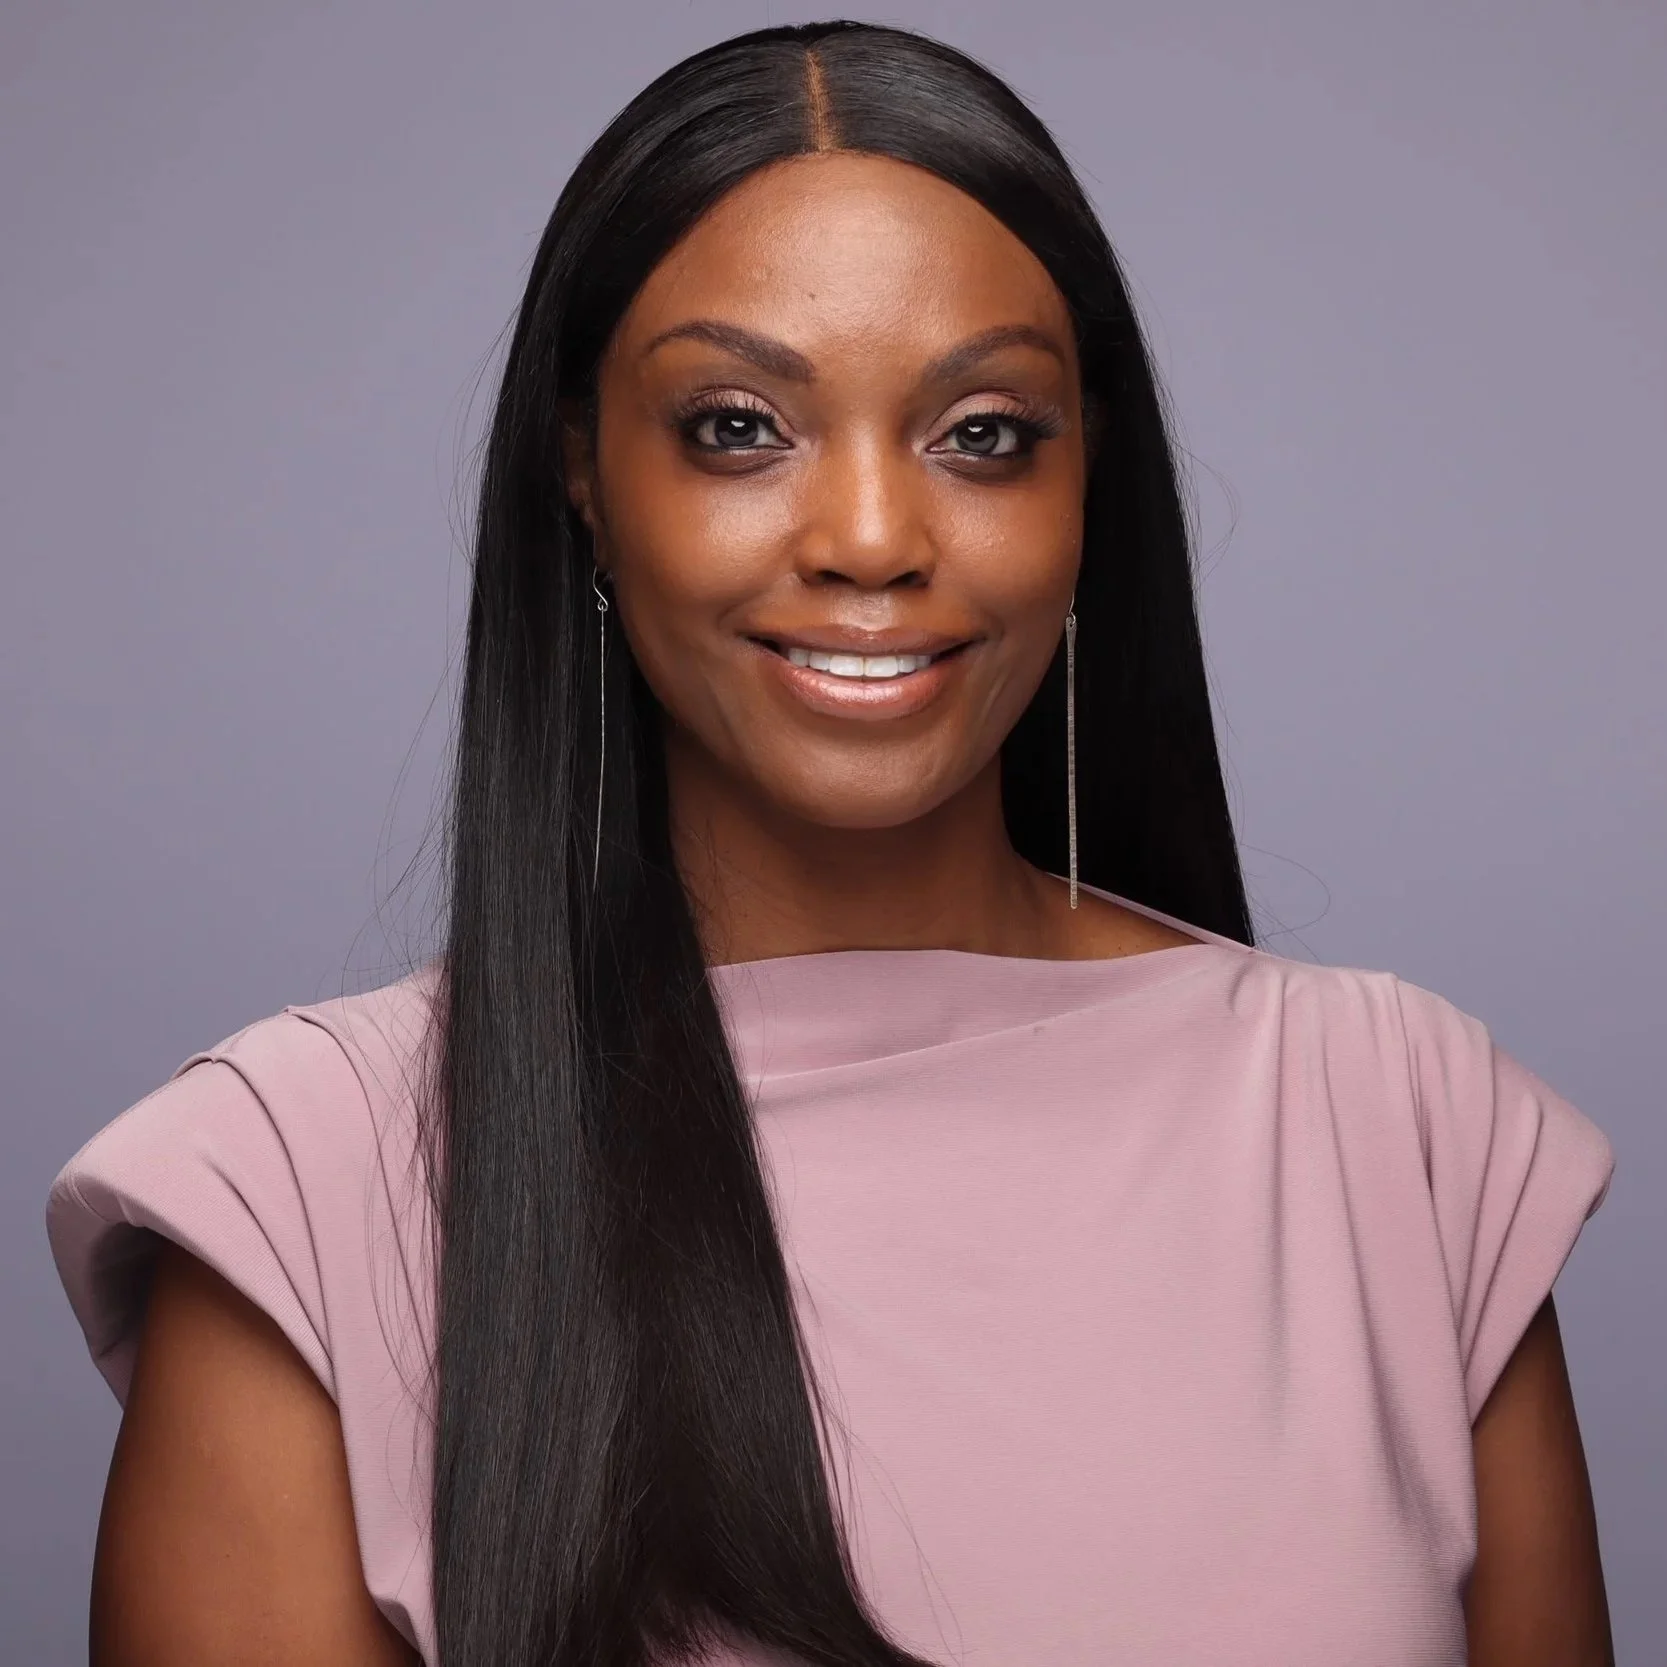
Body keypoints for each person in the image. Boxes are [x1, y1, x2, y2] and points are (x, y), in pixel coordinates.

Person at [45, 20, 1617, 1667]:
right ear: (582, 469)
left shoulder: (1403, 1134)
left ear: (1091, 489)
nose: (871, 539)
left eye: (984, 432)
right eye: (735, 425)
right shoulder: (298, 1202)